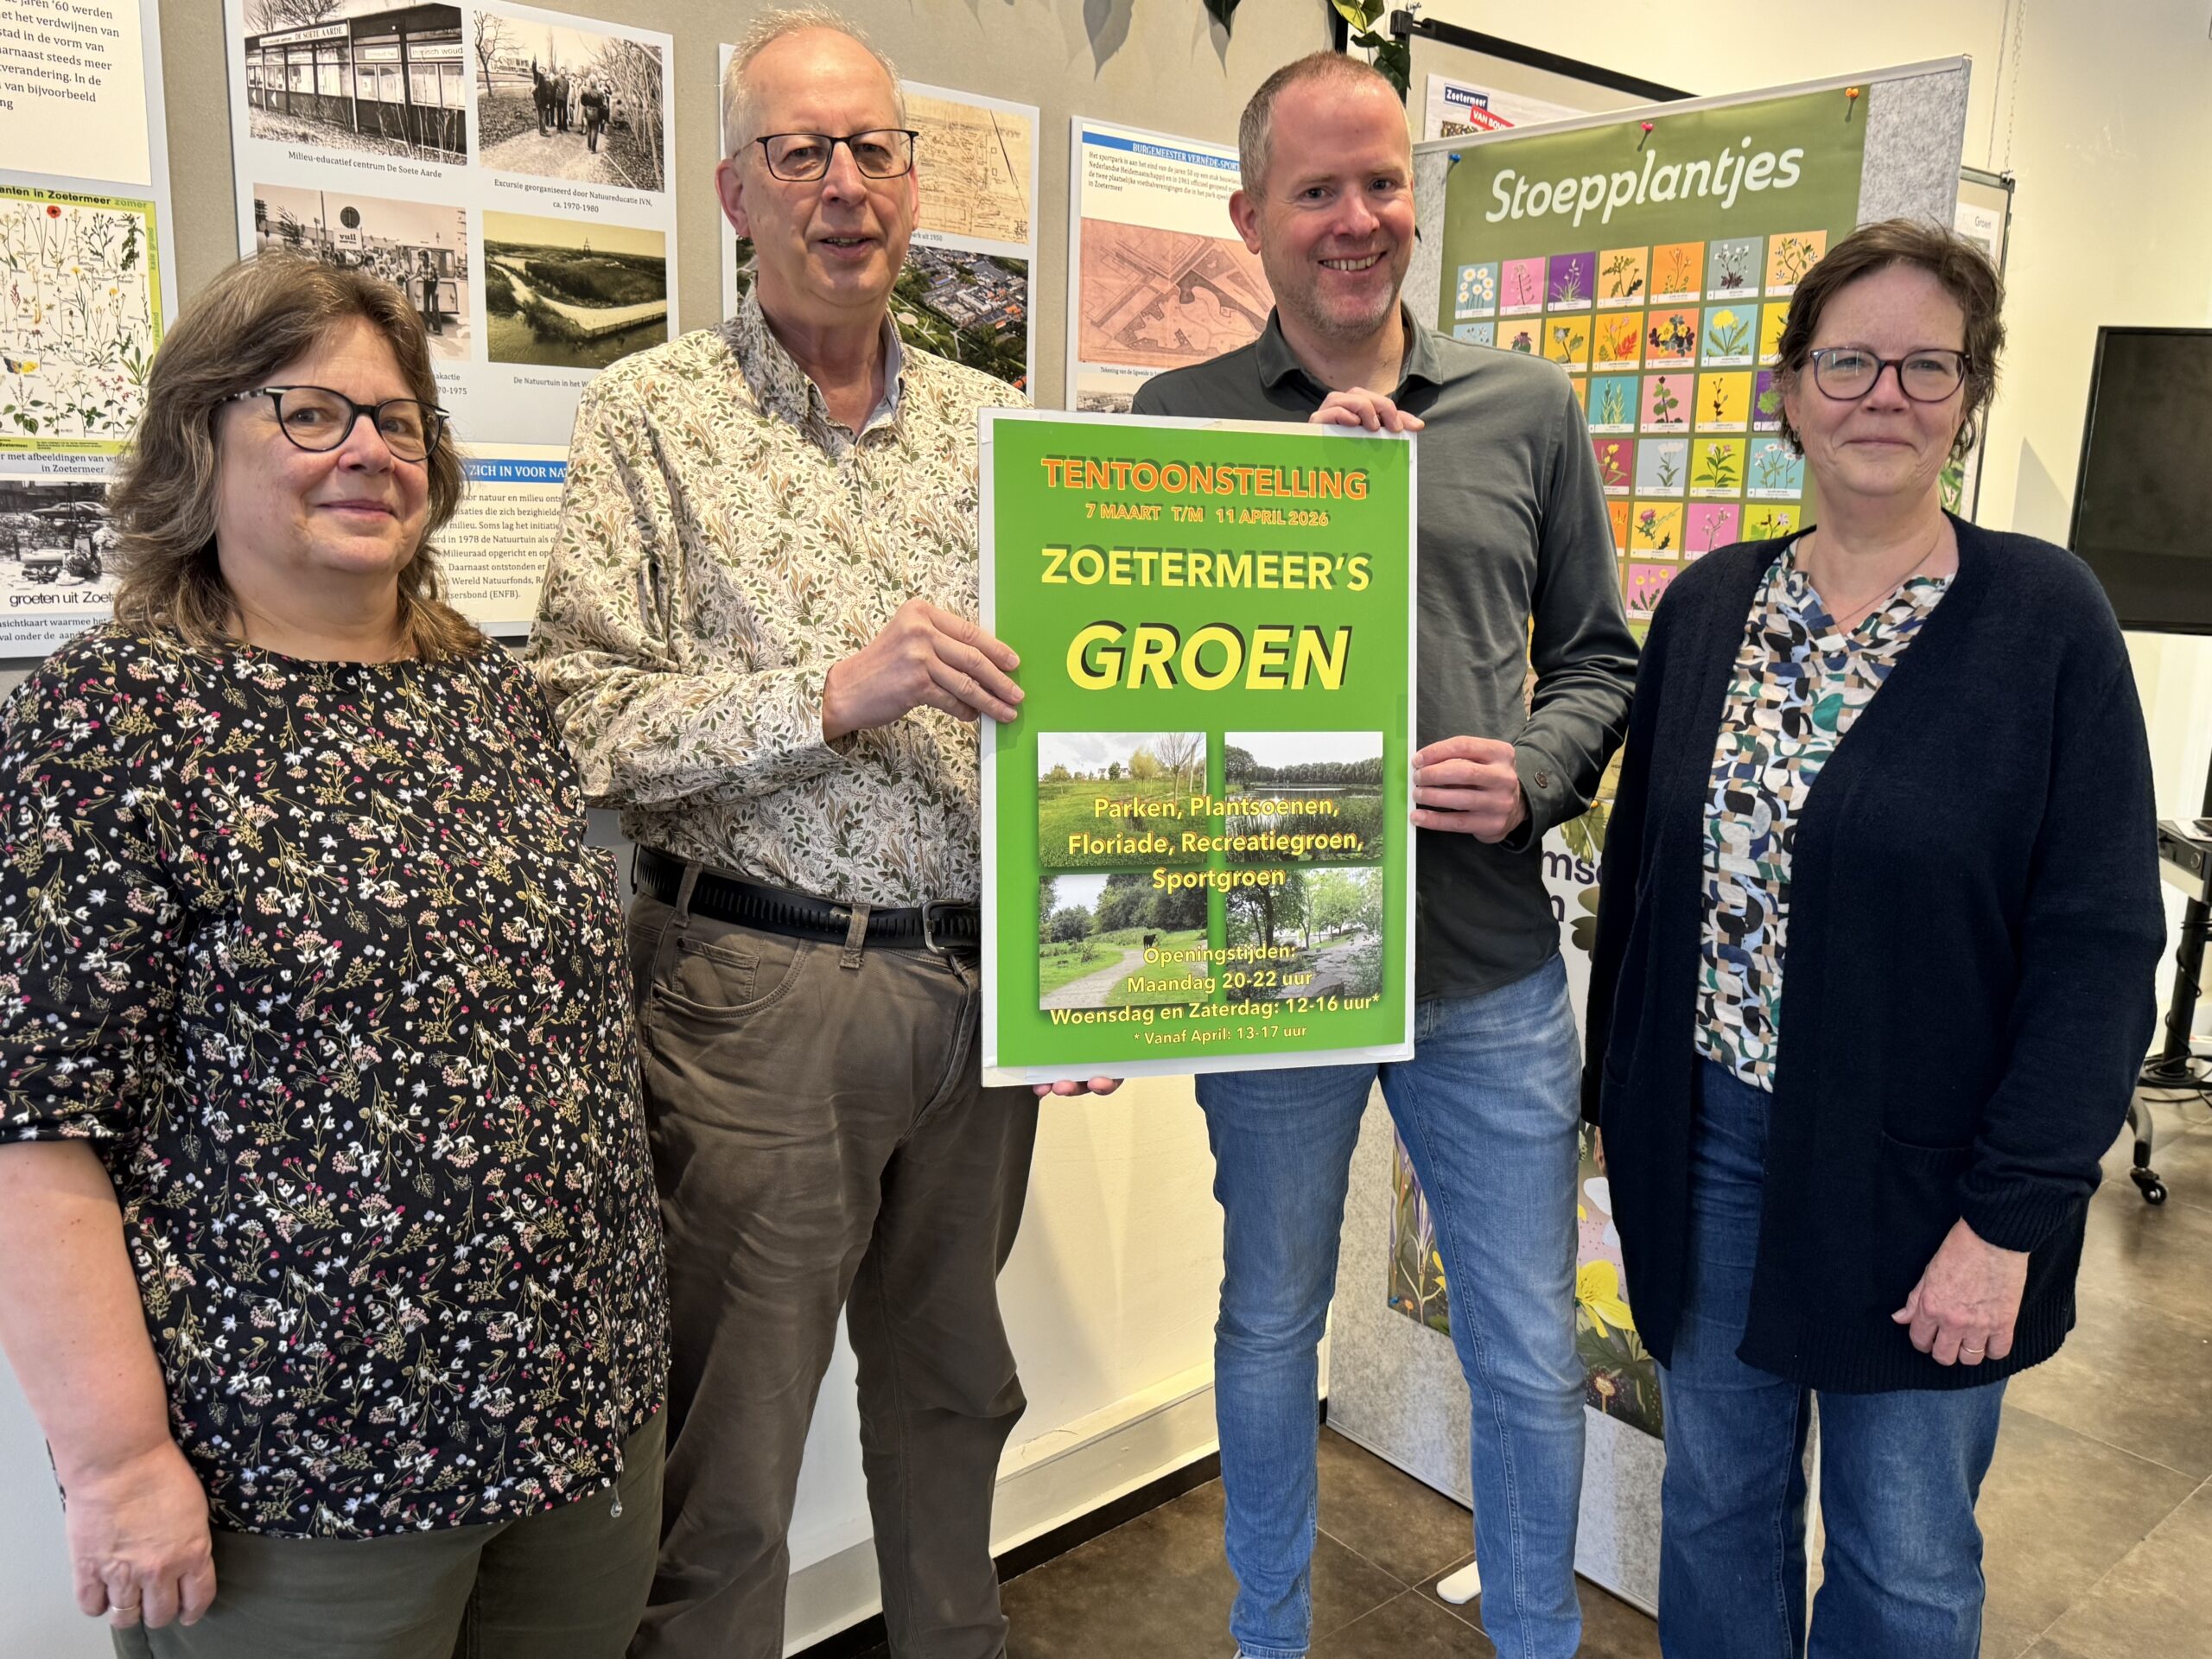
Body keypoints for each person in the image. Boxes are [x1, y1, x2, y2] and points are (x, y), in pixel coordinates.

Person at [525, 11, 1114, 1658]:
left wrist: (1092, 972)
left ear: (917, 183)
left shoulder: (1007, 432)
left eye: (874, 149)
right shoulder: (651, 417)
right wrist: (831, 692)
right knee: (731, 1456)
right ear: (734, 188)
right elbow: (577, 718)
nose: (843, 186)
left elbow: (1101, 703)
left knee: (953, 1400)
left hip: (979, 991)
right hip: (752, 997)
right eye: (801, 153)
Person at [0, 251, 668, 1658]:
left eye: (399, 417)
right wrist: (117, 1465)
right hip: (302, 1469)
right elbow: (34, 1129)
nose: (368, 449)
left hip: (576, 1411)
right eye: (310, 413)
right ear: (200, 442)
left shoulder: (482, 690)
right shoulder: (111, 723)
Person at [1584, 219, 2164, 1657]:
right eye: (1848, 360)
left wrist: (2011, 1218)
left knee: (1904, 1563)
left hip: (1929, 1178)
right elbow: (1642, 892)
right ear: (1788, 392)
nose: (1883, 395)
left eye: (1926, 365)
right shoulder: (1713, 604)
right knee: (1716, 1505)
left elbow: (2098, 947)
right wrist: (1619, 1120)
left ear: (1968, 398)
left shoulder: (2046, 621)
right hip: (1710, 1148)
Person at [1131, 52, 1637, 1659]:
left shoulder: (1526, 409)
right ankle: (1267, 1638)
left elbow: (1601, 662)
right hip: (1275, 974)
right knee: (1272, 1324)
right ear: (1250, 220)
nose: (1356, 221)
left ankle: (1539, 1643)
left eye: (1382, 185)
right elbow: (1129, 700)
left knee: (1530, 1351)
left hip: (1485, 965)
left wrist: (1537, 772)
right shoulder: (1178, 422)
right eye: (1316, 192)